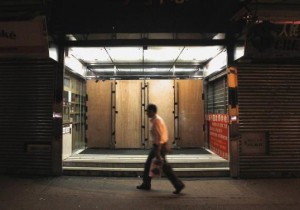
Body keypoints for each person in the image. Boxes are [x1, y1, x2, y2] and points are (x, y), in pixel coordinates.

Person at [137, 104, 185, 194]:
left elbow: (159, 137)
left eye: (148, 111)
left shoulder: (157, 121)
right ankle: (146, 183)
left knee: (164, 167)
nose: (146, 113)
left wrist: (158, 151)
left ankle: (178, 184)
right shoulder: (156, 120)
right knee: (152, 165)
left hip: (158, 147)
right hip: (159, 146)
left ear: (152, 111)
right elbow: (163, 134)